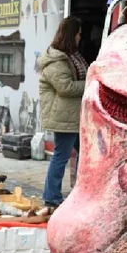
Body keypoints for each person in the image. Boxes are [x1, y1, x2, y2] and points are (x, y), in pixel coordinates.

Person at [39, 17, 88, 207]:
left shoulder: (71, 56)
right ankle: (51, 197)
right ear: (71, 35)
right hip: (64, 117)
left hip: (75, 115)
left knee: (85, 155)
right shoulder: (56, 60)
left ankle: (81, 193)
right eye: (78, 33)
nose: (80, 37)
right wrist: (90, 82)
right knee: (61, 156)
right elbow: (65, 87)